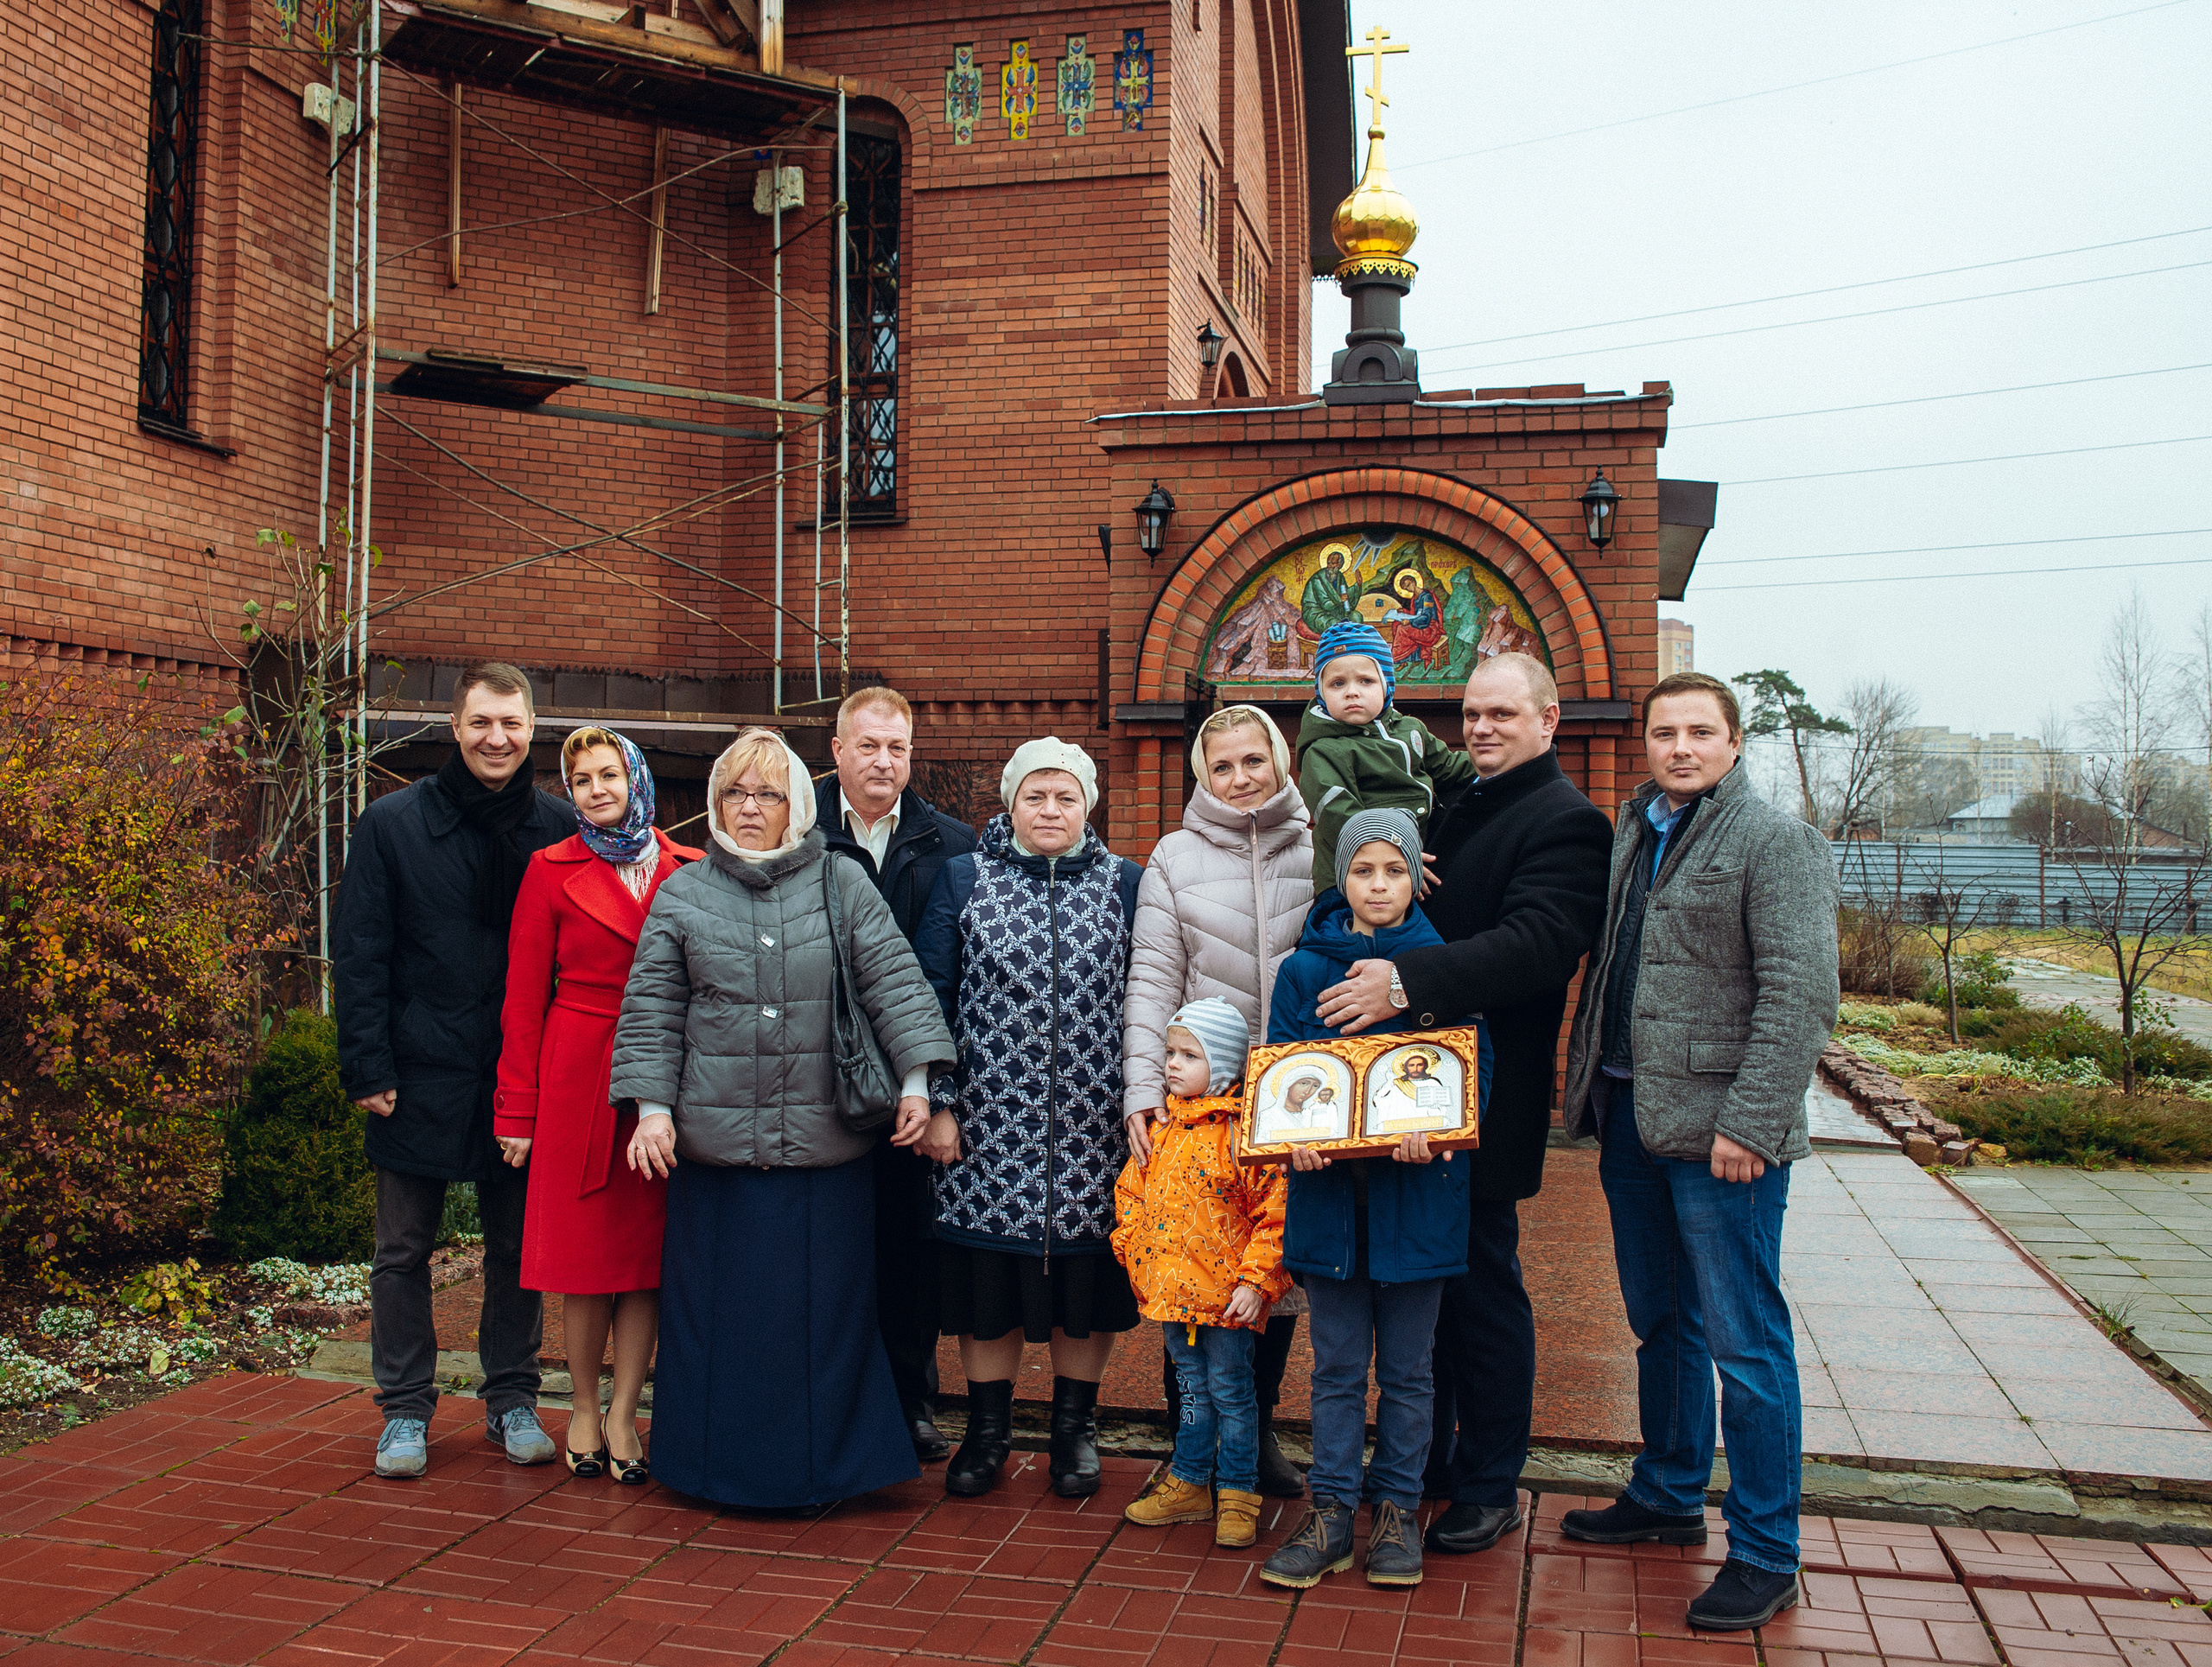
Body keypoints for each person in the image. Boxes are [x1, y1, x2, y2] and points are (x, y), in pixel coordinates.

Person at [1309, 652, 1613, 1561]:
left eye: (1500, 715)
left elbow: (1535, 946)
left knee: (1481, 1290)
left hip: (1485, 1092)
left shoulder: (1565, 821)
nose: (1479, 728)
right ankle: (1432, 1463)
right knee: (1427, 1288)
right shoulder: (1459, 805)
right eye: (1470, 715)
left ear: (1547, 720)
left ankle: (1489, 1484)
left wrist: (1405, 981)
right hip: (1417, 1098)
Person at [607, 727, 956, 1510]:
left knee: (821, 1323)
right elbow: (654, 1009)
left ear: (798, 800)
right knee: (720, 1323)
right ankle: (708, 1468)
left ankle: (827, 1471)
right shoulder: (685, 891)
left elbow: (895, 984)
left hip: (822, 1153)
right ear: (715, 803)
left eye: (769, 792)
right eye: (737, 792)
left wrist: (916, 1082)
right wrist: (652, 1112)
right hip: (715, 1156)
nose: (753, 807)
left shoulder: (841, 880)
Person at [1558, 671, 1839, 1633]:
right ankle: (1669, 1493)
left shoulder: (1774, 842)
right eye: (1665, 732)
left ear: (1732, 741)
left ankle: (1765, 1551)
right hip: (1632, 1115)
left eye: (1699, 733)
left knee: (1745, 1344)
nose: (1679, 747)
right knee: (1661, 1323)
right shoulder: (1637, 829)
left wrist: (1751, 1125)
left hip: (1725, 1138)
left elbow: (1800, 994)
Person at [334, 662, 575, 1480]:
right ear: (455, 725)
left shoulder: (560, 829)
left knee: (517, 1249)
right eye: (481, 723)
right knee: (403, 1250)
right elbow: (360, 953)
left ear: (532, 727)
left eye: (511, 723)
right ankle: (404, 1408)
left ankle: (511, 1396)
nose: (497, 738)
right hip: (417, 1070)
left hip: (517, 1079)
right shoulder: (391, 825)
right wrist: (366, 1064)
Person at [914, 737, 1143, 1500]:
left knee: (1087, 1285)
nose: (1051, 810)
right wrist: (940, 1103)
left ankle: (1074, 1430)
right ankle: (987, 1434)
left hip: (1093, 1133)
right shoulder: (966, 878)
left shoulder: (1125, 884)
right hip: (987, 1130)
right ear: (1009, 803)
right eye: (1035, 796)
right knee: (990, 1288)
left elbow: (1148, 998)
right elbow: (932, 995)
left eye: (1066, 796)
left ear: (1089, 805)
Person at [1259, 810, 1480, 1593]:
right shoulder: (1303, 969)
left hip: (1416, 1198)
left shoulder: (1441, 963)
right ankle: (1330, 1513)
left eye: (1393, 870)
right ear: (1341, 877)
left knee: (1412, 1372)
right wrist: (1295, 1133)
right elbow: (1283, 1069)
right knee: (1337, 1366)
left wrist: (1440, 1134)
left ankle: (1396, 1510)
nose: (1378, 885)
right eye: (1363, 871)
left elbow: (1460, 1070)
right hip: (1330, 1202)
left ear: (1414, 876)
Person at [493, 727, 699, 1483]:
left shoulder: (691, 868)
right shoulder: (549, 870)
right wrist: (517, 1111)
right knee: (583, 1261)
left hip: (664, 1083)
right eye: (581, 780)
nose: (598, 789)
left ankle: (624, 1411)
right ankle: (581, 1405)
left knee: (644, 1259)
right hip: (581, 1069)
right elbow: (522, 997)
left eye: (610, 774)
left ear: (635, 778)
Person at [1122, 703, 1313, 1496]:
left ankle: (1257, 1427)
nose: (1239, 778)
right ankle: (1189, 1445)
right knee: (1194, 1263)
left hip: (1300, 1095)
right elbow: (1153, 980)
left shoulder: (1320, 844)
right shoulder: (1172, 857)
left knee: (1274, 1265)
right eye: (1221, 765)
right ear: (1203, 775)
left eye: (1252, 760)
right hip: (1205, 1106)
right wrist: (1143, 1087)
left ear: (1280, 760)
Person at [819, 686, 978, 1465]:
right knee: (830, 1247)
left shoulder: (951, 843)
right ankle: (834, 1400)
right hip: (818, 1082)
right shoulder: (800, 829)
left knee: (912, 1251)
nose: (884, 761)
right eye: (869, 745)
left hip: (914, 1083)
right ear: (837, 750)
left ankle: (913, 1401)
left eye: (898, 748)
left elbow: (953, 975)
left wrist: (936, 1088)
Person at [1113, 998, 1288, 1549]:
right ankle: (1190, 1480)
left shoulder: (1242, 1136)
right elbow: (1130, 1196)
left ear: (1228, 1065)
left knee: (1234, 1393)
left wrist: (1255, 1284)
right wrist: (1138, 1256)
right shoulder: (1162, 1128)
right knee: (1190, 1389)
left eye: (1190, 1055)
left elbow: (1274, 1213)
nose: (1172, 1064)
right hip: (1172, 1298)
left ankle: (1238, 1491)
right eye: (1170, 1052)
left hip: (1226, 1301)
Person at [1294, 621, 1474, 894]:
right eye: (1337, 683)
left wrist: (1496, 761)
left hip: (1410, 865)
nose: (1352, 691)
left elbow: (1448, 767)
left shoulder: (1410, 730)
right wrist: (1397, 858)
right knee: (1354, 935)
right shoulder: (1324, 750)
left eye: (1366, 681)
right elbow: (1339, 815)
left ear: (1386, 685)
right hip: (1351, 878)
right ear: (1321, 694)